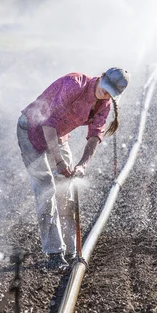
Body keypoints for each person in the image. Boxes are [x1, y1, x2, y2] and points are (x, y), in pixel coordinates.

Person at [17, 67, 130, 272]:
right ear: (101, 77)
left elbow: (95, 135)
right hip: (32, 132)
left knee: (66, 190)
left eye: (109, 94)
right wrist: (60, 163)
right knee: (46, 190)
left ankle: (71, 251)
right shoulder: (75, 84)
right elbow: (48, 125)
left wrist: (82, 165)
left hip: (57, 136)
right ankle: (54, 253)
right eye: (104, 89)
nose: (105, 95)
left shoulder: (104, 106)